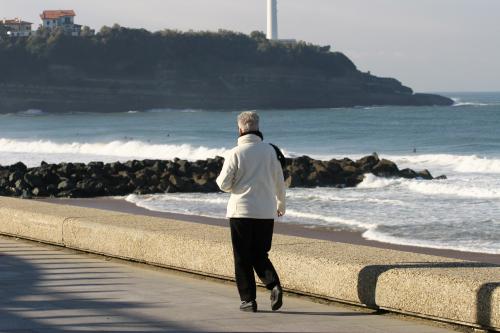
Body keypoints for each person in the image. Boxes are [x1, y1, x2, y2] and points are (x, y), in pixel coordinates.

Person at [216, 111, 286, 313]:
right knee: (260, 253)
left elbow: (223, 184)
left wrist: (235, 186)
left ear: (240, 129)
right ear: (257, 127)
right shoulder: (270, 151)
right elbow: (279, 181)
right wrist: (281, 204)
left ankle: (248, 300)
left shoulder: (235, 153)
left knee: (242, 256)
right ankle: (274, 285)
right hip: (265, 211)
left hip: (241, 212)